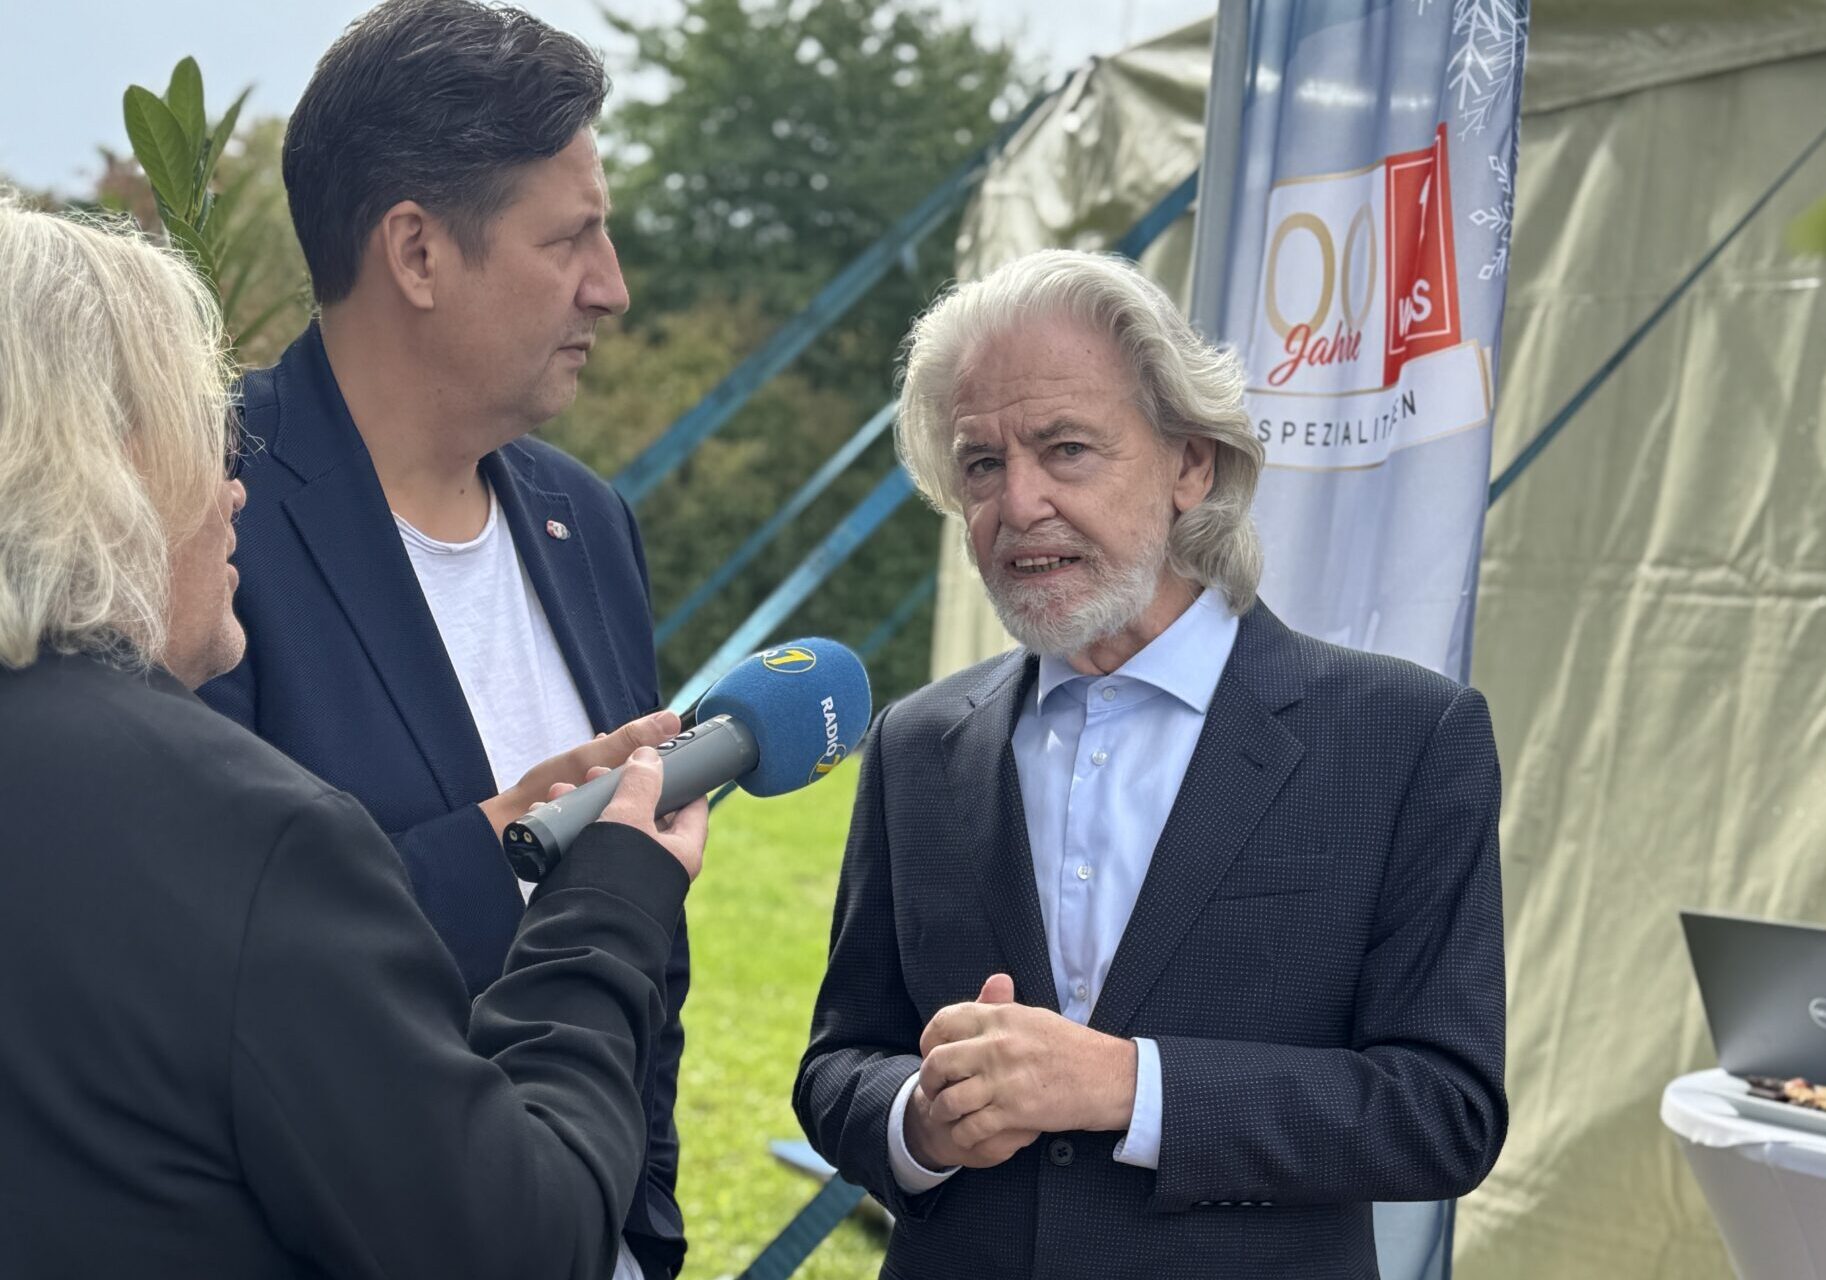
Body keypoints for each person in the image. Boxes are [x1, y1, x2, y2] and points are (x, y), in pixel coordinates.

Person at [0, 198, 707, 1278]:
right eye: (206, 434)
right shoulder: (250, 832)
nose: (235, 487)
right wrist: (608, 904)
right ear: (105, 463)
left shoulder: (584, 512)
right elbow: (517, 1241)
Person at [793, 250, 1507, 1278]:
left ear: (1191, 464)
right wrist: (920, 1118)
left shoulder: (1404, 737)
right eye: (982, 464)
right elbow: (840, 1062)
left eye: (1066, 448)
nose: (1019, 502)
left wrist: (1130, 1086)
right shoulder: (918, 743)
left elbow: (1443, 1112)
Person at [195, 4, 686, 1273]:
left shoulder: (587, 520)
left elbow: (648, 944)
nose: (612, 286)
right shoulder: (199, 515)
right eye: (569, 237)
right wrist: (504, 849)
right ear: (416, 250)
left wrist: (642, 1225)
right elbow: (194, 964)